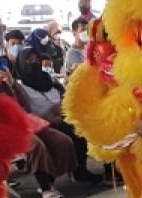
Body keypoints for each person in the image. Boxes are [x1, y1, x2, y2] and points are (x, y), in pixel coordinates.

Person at [13, 44, 102, 185]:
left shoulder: (47, 79)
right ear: (21, 65)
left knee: (89, 126)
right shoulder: (19, 86)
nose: (33, 64)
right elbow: (24, 111)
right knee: (74, 132)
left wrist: (63, 104)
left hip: (63, 115)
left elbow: (65, 95)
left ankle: (87, 169)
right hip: (42, 123)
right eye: (29, 61)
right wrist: (50, 115)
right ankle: (77, 172)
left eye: (36, 60)